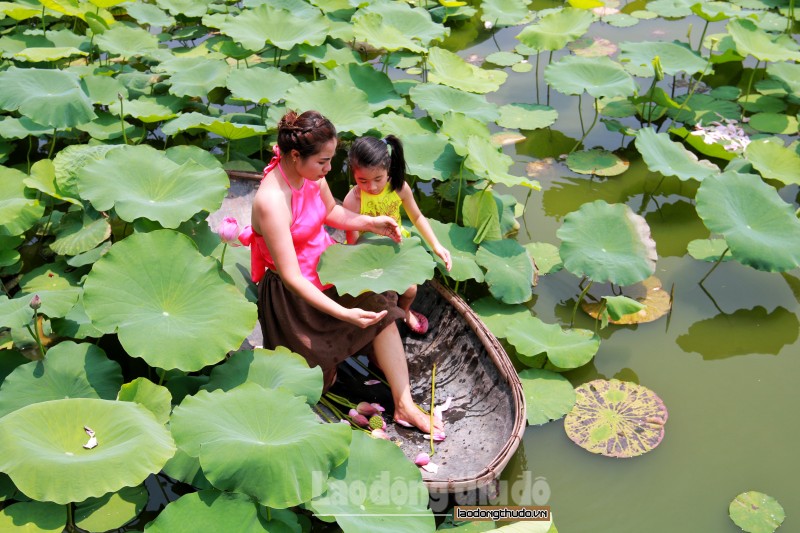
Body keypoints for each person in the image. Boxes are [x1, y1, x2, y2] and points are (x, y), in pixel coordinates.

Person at [241, 110, 442, 435]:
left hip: (330, 268)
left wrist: (371, 222)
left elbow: (332, 211)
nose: (329, 169)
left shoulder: (312, 175)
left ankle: (404, 404)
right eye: (323, 161)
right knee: (317, 383)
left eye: (331, 159)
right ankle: (340, 358)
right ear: (295, 156)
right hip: (295, 301)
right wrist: (345, 314)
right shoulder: (272, 201)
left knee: (382, 306)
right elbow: (292, 278)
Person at [343, 135, 452, 335]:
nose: (372, 187)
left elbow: (417, 217)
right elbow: (353, 241)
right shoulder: (353, 200)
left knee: (411, 290)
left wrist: (437, 246)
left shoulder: (399, 187)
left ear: (388, 170)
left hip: (397, 244)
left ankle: (406, 311)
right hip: (367, 251)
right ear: (353, 173)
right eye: (362, 180)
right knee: (377, 297)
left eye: (378, 179)